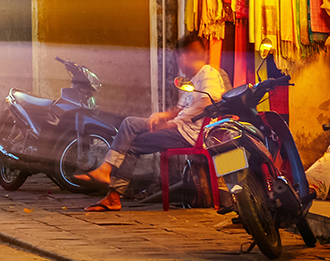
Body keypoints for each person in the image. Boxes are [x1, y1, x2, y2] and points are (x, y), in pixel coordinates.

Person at [77, 33, 227, 211]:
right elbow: (178, 109)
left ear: (187, 56)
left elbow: (210, 101)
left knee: (132, 144)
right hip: (179, 127)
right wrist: (162, 116)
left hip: (189, 133)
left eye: (180, 56)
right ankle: (106, 171)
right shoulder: (192, 80)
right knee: (130, 123)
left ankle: (112, 193)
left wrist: (175, 122)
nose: (180, 62)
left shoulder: (208, 73)